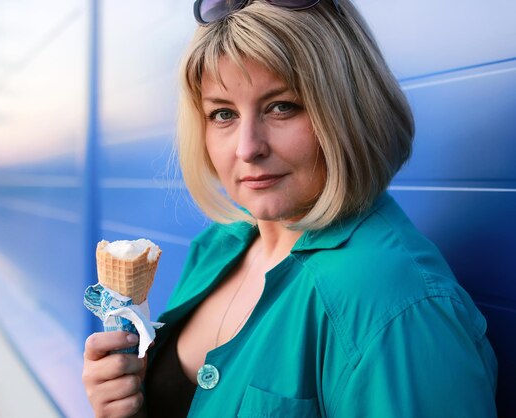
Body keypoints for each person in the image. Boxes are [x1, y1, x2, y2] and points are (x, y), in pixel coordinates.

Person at [82, 0, 498, 417]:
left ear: (349, 109)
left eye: (282, 106)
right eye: (223, 114)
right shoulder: (218, 247)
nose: (248, 148)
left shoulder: (396, 306)